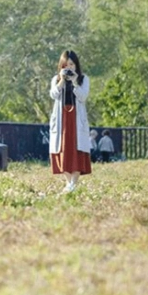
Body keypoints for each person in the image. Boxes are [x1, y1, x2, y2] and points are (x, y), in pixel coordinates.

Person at [49, 49, 91, 193]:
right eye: (66, 65)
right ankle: (69, 184)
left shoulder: (83, 79)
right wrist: (61, 81)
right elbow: (53, 95)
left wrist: (74, 82)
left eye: (72, 64)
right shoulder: (56, 79)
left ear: (76, 65)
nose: (69, 68)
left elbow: (83, 97)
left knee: (77, 150)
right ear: (61, 66)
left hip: (76, 119)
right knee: (63, 150)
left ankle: (73, 183)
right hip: (62, 119)